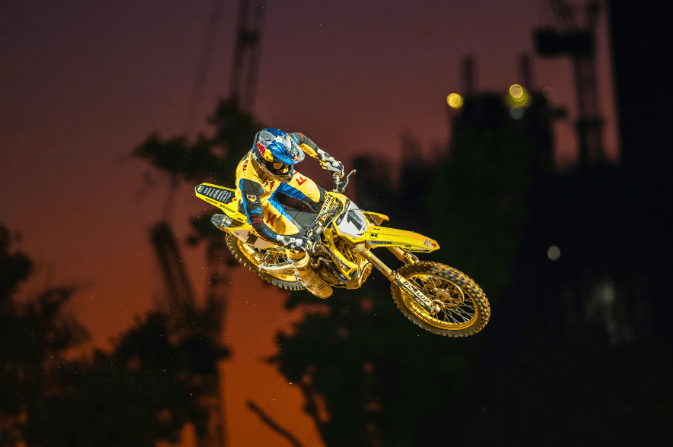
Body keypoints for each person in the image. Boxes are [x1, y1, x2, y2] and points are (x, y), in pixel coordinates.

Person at [234, 128, 344, 297]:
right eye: (280, 164)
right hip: (262, 197)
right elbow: (257, 223)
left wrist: (327, 159)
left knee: (326, 200)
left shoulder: (279, 145)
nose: (286, 168)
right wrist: (284, 240)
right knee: (296, 238)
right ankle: (307, 278)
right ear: (263, 162)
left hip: (276, 179)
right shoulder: (250, 183)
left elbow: (301, 138)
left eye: (287, 164)